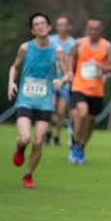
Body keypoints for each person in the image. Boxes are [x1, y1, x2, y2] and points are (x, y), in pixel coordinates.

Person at [8, 12, 69, 188]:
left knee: (38, 140)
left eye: (43, 23)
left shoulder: (57, 50)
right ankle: (20, 147)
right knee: (26, 138)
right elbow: (14, 66)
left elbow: (67, 74)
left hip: (45, 101)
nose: (40, 26)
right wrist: (11, 82)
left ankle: (28, 175)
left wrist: (62, 80)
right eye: (36, 24)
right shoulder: (25, 48)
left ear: (49, 27)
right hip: (25, 100)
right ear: (32, 30)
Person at [67, 17, 111, 164]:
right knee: (80, 113)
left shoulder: (107, 46)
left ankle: (81, 147)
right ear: (86, 29)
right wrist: (69, 72)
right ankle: (75, 144)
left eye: (96, 29)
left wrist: (104, 68)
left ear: (101, 30)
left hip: (96, 90)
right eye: (91, 28)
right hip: (78, 86)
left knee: (90, 122)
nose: (94, 31)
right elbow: (71, 58)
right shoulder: (79, 43)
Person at [47, 13, 76, 146]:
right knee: (50, 106)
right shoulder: (50, 40)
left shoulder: (74, 44)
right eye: (59, 25)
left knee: (60, 111)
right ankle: (48, 131)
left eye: (64, 25)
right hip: (51, 80)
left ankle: (57, 135)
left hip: (65, 82)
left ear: (69, 26)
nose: (61, 27)